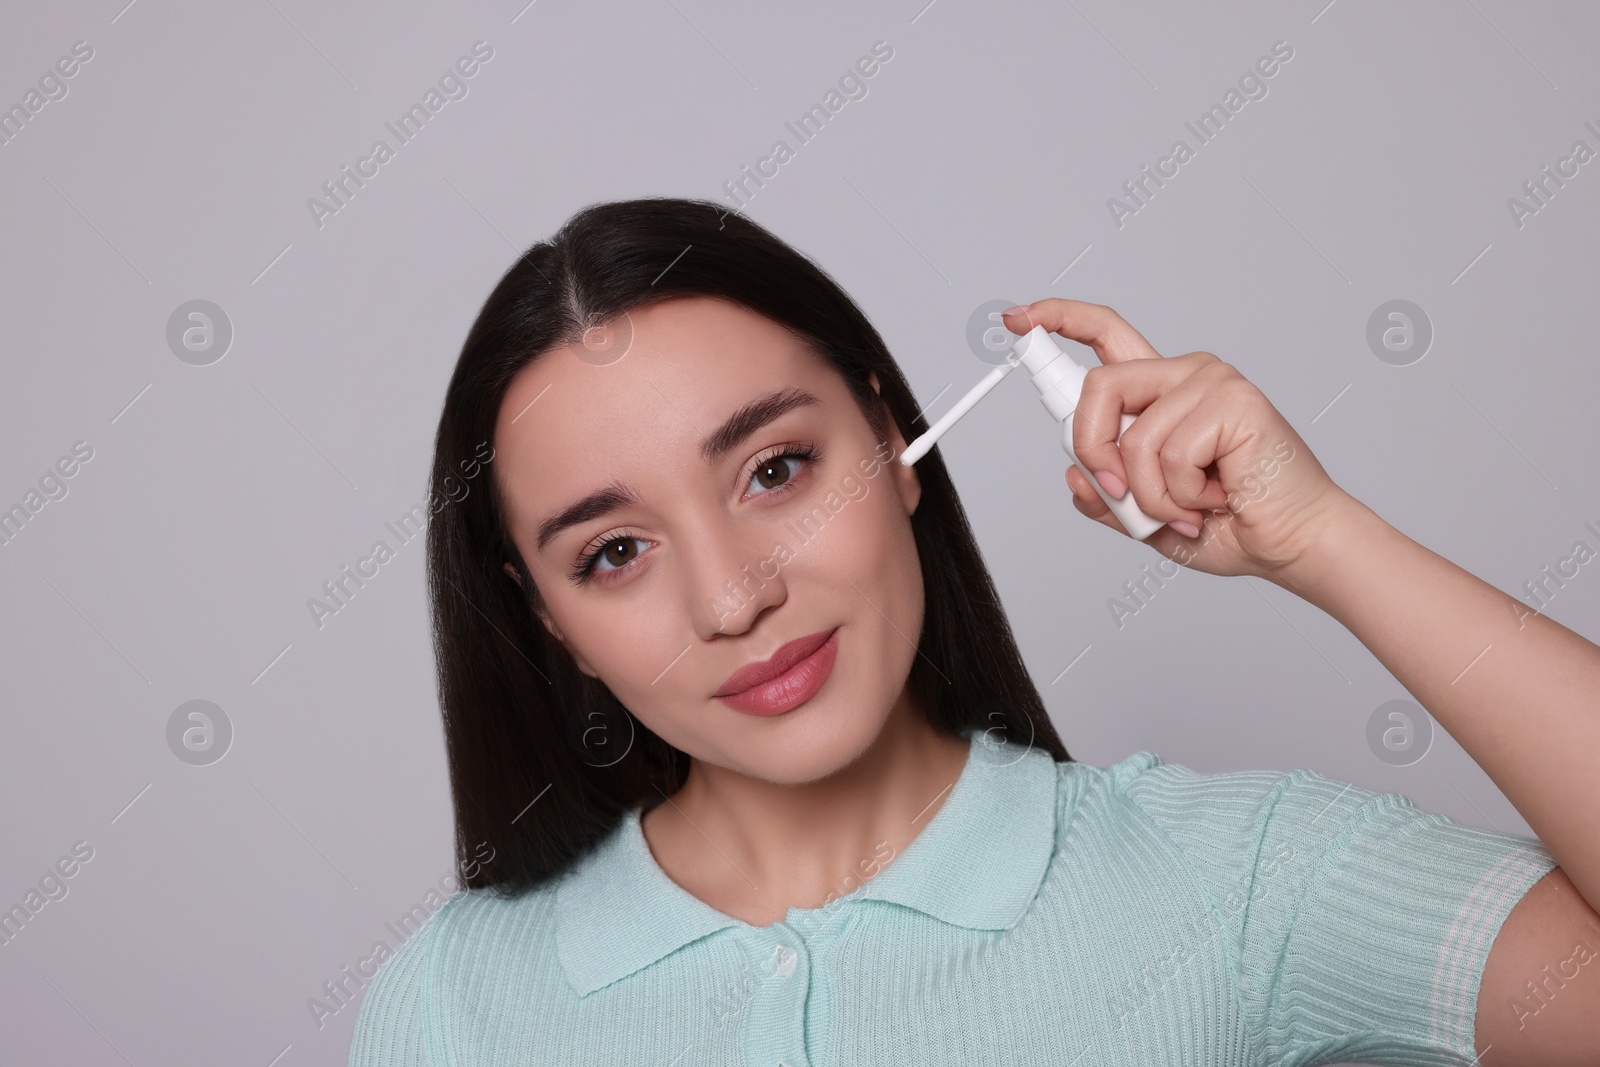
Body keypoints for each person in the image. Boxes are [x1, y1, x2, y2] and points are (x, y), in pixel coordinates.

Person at [347, 197, 1600, 1066]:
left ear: (895, 446)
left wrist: (1326, 542)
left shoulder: (1225, 884)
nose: (733, 601)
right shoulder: (451, 1007)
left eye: (776, 470)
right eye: (613, 552)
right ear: (550, 621)